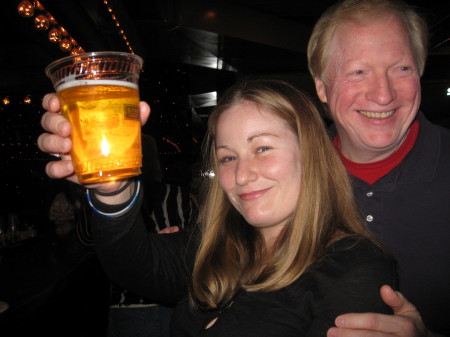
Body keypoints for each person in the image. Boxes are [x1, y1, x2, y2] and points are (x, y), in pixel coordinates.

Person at [38, 78, 397, 336]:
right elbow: (132, 263)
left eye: (262, 148)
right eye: (227, 157)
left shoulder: (356, 270)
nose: (241, 175)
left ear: (312, 154)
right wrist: (111, 191)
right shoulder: (217, 246)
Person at [307, 0, 450, 336]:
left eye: (401, 68)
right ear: (321, 87)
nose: (383, 95)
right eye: (358, 71)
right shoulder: (288, 180)